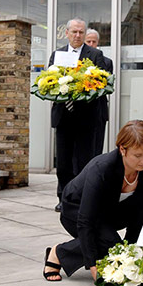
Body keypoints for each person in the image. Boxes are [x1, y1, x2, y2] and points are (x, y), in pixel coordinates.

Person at [42, 120, 143, 281]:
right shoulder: (102, 169)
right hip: (76, 211)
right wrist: (93, 264)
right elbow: (85, 221)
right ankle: (58, 252)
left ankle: (131, 247)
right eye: (138, 155)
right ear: (122, 150)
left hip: (112, 211)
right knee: (111, 246)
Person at [48, 19, 108, 212]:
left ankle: (82, 197)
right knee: (64, 161)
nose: (77, 36)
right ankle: (63, 197)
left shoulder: (95, 55)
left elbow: (100, 83)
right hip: (63, 115)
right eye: (74, 32)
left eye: (81, 32)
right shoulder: (57, 54)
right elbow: (48, 82)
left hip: (86, 117)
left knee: (84, 161)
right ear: (66, 33)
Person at [84, 28, 113, 155]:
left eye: (94, 42)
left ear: (98, 43)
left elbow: (107, 85)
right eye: (88, 41)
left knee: (97, 146)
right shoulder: (78, 60)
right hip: (82, 110)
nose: (91, 44)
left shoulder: (107, 62)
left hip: (99, 109)